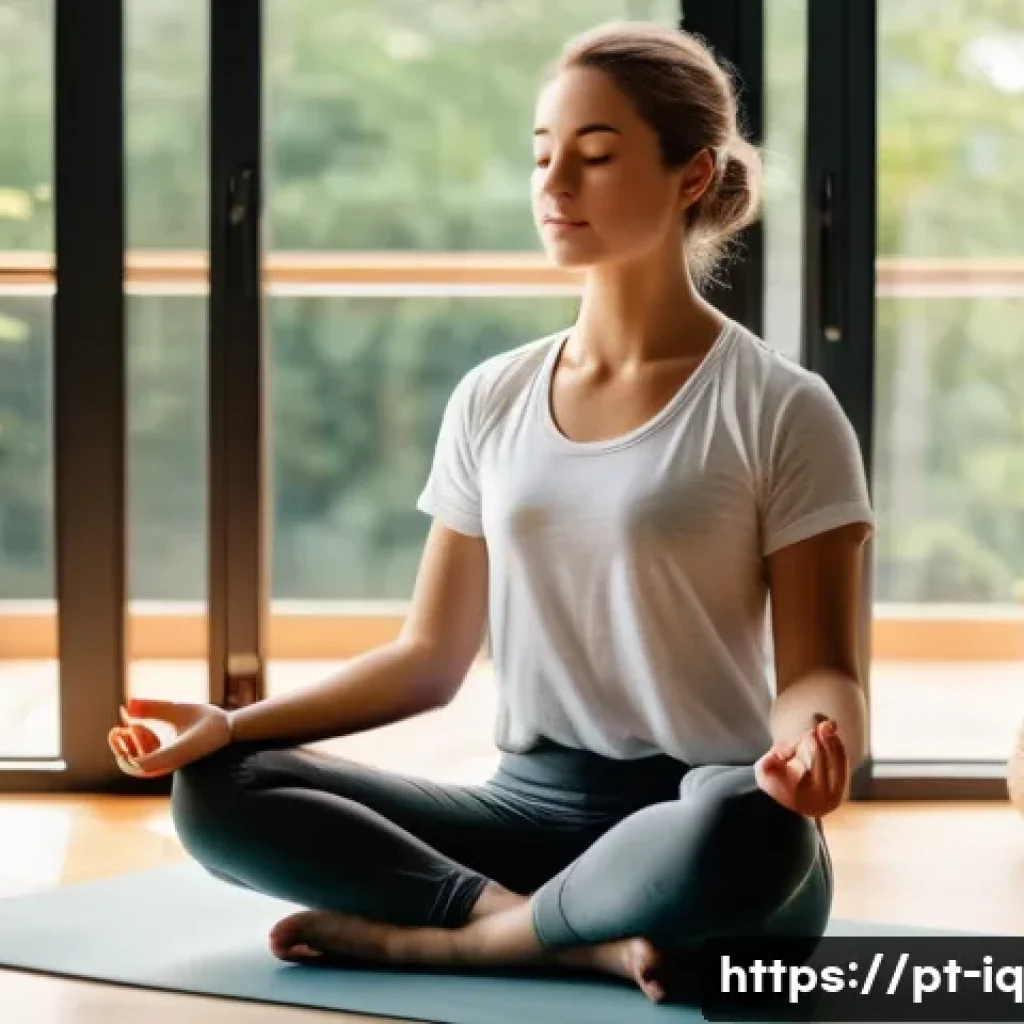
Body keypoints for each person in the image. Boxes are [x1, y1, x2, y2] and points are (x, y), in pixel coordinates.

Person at [108, 20, 873, 1005]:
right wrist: (226, 723)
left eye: (595, 158)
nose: (554, 186)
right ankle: (549, 932)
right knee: (220, 791)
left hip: (700, 813)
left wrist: (813, 749)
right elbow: (428, 658)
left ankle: (443, 941)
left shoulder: (780, 406)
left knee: (754, 829)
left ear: (690, 178)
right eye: (543, 155)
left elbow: (820, 670)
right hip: (524, 807)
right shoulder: (492, 396)